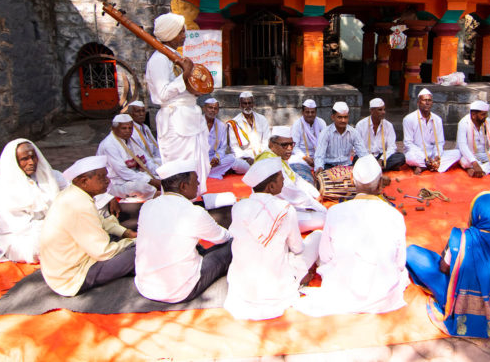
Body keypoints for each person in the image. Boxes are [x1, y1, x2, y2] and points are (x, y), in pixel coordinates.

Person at [405, 192, 490, 348]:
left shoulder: (462, 239)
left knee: (413, 253)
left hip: (460, 297)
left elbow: (444, 268)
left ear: (476, 215)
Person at [294, 155, 409, 317]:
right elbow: (400, 264)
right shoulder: (394, 215)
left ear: (353, 183)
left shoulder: (335, 211)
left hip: (341, 293)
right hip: (383, 297)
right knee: (404, 274)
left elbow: (326, 257)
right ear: (380, 185)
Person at [224, 158, 322, 320]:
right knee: (317, 236)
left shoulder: (239, 207)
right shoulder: (285, 209)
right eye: (281, 178)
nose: (284, 181)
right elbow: (297, 248)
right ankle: (305, 275)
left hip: (242, 289)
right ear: (271, 186)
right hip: (276, 290)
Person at [134, 159, 233, 303]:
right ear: (183, 186)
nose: (198, 184)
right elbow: (222, 237)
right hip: (179, 290)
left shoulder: (148, 206)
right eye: (196, 181)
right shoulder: (193, 212)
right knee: (232, 244)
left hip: (145, 286)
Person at [39, 156, 137, 296]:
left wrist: (125, 232)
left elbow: (100, 220)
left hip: (62, 271)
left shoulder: (73, 194)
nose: (107, 180)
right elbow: (103, 252)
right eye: (102, 177)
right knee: (139, 251)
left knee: (129, 244)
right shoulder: (80, 205)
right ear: (84, 181)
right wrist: (132, 242)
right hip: (72, 277)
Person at [145, 12, 210, 196]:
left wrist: (194, 87)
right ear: (169, 34)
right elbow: (162, 94)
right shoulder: (158, 60)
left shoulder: (173, 56)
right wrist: (184, 76)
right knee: (180, 169)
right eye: (181, 32)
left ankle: (195, 199)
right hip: (175, 122)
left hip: (191, 118)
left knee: (198, 164)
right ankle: (179, 202)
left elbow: (184, 86)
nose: (184, 36)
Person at [0, 139, 68, 263]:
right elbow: (19, 226)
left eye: (33, 157)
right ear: (14, 162)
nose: (31, 162)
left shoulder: (48, 175)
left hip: (52, 225)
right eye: (25, 159)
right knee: (45, 246)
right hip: (21, 237)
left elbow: (71, 191)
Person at [256, 126, 326, 232]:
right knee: (323, 218)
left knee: (319, 213)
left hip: (286, 203)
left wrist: (315, 193)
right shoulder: (269, 162)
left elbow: (296, 178)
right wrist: (313, 203)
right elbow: (289, 191)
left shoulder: (278, 157)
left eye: (291, 144)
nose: (289, 148)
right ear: (271, 144)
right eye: (284, 145)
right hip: (272, 212)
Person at [97, 114, 161, 201]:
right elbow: (122, 171)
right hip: (117, 182)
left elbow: (146, 160)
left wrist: (157, 173)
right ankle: (155, 195)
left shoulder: (131, 140)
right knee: (139, 187)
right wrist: (150, 181)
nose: (128, 131)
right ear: (114, 128)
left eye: (130, 128)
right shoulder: (109, 145)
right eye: (124, 128)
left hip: (136, 175)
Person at [403, 89, 460, 174]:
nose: (427, 103)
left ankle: (424, 167)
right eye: (424, 100)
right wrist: (425, 158)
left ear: (432, 103)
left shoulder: (437, 120)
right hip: (417, 154)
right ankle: (431, 166)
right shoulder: (409, 119)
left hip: (432, 154)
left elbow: (440, 142)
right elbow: (408, 143)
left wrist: (437, 156)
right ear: (418, 103)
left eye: (429, 100)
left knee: (457, 153)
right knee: (409, 157)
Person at [314, 102, 369, 172]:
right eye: (340, 117)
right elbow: (319, 155)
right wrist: (319, 167)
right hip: (329, 167)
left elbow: (363, 153)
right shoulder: (325, 133)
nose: (343, 120)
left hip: (347, 166)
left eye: (345, 117)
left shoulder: (353, 132)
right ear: (333, 117)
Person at [355, 98, 405, 172]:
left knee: (400, 157)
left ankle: (373, 168)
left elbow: (392, 147)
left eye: (384, 109)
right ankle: (379, 168)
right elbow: (357, 147)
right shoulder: (361, 125)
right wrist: (368, 159)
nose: (383, 112)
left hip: (381, 156)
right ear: (371, 111)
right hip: (366, 156)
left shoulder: (388, 125)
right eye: (380, 110)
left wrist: (382, 159)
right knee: (356, 160)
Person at [226, 91, 270, 174]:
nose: (247, 106)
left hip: (261, 156)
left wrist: (259, 157)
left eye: (249, 103)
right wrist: (247, 158)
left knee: (273, 159)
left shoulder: (262, 119)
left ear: (253, 104)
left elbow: (267, 141)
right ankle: (259, 171)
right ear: (240, 105)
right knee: (235, 163)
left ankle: (256, 170)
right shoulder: (234, 123)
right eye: (244, 103)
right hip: (245, 159)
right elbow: (234, 147)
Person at [289, 99, 326, 183]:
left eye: (312, 112)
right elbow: (294, 147)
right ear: (303, 112)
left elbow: (325, 143)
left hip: (319, 157)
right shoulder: (297, 125)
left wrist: (318, 159)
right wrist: (306, 158)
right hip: (303, 158)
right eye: (307, 112)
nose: (310, 114)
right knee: (294, 163)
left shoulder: (321, 123)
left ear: (316, 112)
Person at [203, 98, 237, 179]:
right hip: (200, 158)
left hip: (213, 158)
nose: (213, 110)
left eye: (215, 108)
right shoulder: (197, 122)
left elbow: (223, 147)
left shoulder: (221, 126)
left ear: (218, 111)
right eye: (210, 108)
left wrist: (216, 158)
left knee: (231, 158)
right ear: (204, 108)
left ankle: (208, 173)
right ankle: (210, 172)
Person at [127, 100, 162, 169]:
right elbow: (140, 154)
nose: (141, 114)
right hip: (146, 163)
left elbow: (155, 147)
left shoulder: (145, 127)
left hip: (154, 159)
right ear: (130, 114)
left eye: (143, 111)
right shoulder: (131, 130)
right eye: (138, 111)